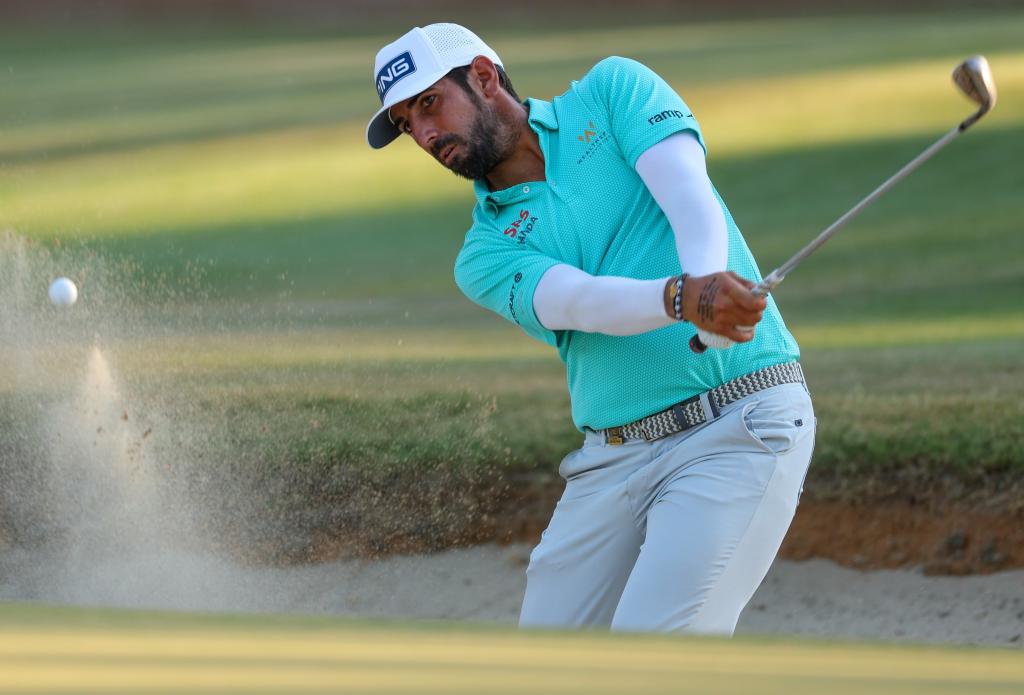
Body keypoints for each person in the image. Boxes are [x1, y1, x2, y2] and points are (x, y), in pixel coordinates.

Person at [365, 23, 815, 634]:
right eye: (404, 123)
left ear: (484, 77)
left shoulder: (611, 92)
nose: (423, 134)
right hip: (613, 462)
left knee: (652, 652)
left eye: (427, 103)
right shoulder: (484, 252)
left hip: (739, 425)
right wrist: (686, 299)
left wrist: (708, 283)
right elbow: (578, 302)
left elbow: (688, 193)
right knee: (551, 664)